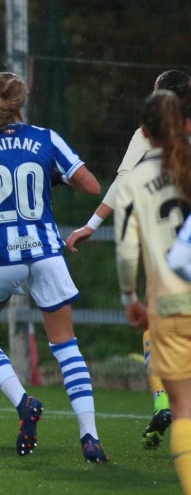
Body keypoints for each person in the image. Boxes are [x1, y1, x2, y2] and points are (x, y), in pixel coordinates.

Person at [0, 64, 108, 463]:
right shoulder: (45, 138)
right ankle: (89, 436)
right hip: (46, 253)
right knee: (66, 346)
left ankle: (23, 402)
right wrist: (53, 176)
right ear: (22, 104)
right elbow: (91, 186)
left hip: (0, 258)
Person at [66, 69, 191, 449]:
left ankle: (164, 399)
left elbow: (124, 183)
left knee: (159, 331)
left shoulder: (148, 133)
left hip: (170, 255)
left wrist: (91, 224)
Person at [116, 90, 191, 492]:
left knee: (184, 410)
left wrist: (130, 296)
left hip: (170, 305)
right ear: (185, 123)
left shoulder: (139, 178)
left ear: (145, 132)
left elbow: (127, 249)